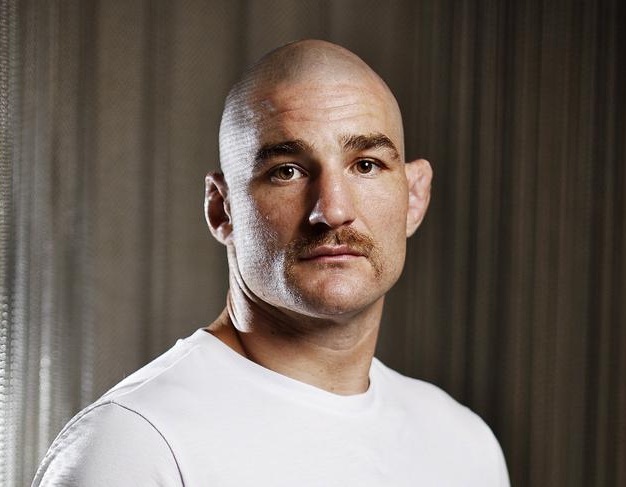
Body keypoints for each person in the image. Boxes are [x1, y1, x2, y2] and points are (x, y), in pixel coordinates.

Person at [32, 39, 509, 486]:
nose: (333, 209)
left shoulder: (464, 446)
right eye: (287, 171)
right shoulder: (136, 445)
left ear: (414, 196)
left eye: (366, 164)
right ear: (223, 209)